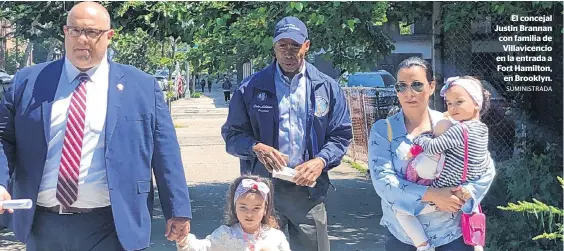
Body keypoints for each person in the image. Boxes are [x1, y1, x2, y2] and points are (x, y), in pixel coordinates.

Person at [0, 2, 192, 251]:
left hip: (113, 224)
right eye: (75, 31)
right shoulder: (28, 82)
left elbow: (165, 151)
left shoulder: (141, 87)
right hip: (43, 224)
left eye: (92, 32)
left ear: (109, 36)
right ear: (64, 32)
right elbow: (4, 138)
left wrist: (177, 209)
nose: (82, 40)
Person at [221, 16, 352, 251]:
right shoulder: (250, 87)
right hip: (261, 193)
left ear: (307, 46)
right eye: (283, 46)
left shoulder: (327, 87)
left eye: (295, 46)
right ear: (274, 47)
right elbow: (232, 136)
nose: (289, 53)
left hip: (309, 192)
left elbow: (340, 135)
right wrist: (255, 147)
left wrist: (321, 161)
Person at [368, 57, 496, 251]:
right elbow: (384, 182)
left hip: (452, 236)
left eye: (417, 85)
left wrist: (463, 194)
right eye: (401, 86)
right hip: (403, 239)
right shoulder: (383, 130)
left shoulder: (452, 123)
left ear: (432, 86)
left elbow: (485, 168)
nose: (409, 93)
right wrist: (433, 195)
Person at [394, 75, 493, 250]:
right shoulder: (483, 130)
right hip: (464, 187)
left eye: (459, 102)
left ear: (476, 103)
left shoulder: (459, 130)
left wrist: (420, 138)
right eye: (449, 103)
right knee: (471, 209)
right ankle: (476, 242)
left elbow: (434, 147)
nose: (453, 108)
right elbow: (484, 162)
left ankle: (424, 246)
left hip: (444, 186)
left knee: (401, 210)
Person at [176, 175, 290, 251]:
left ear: (265, 209)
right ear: (234, 207)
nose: (249, 214)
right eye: (243, 207)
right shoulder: (226, 235)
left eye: (256, 208)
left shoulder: (275, 236)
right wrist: (183, 240)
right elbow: (202, 248)